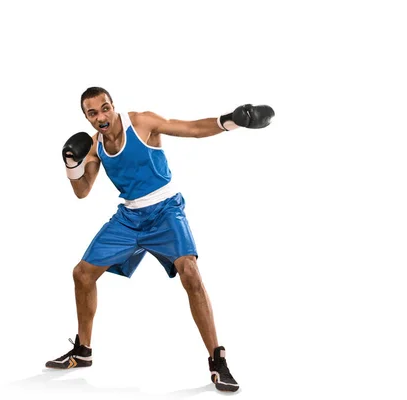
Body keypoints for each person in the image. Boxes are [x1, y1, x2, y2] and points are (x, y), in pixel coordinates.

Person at [45, 87, 274, 392]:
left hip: (165, 210)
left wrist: (231, 120)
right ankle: (83, 351)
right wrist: (71, 166)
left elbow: (191, 129)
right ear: (85, 116)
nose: (101, 117)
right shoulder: (95, 146)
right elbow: (82, 190)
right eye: (92, 113)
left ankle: (217, 361)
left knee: (190, 273)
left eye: (105, 108)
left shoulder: (142, 123)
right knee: (82, 274)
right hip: (129, 219)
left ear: (113, 106)